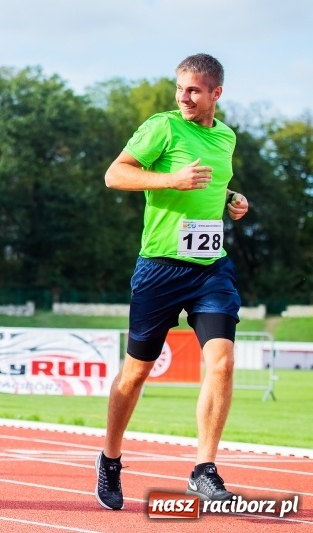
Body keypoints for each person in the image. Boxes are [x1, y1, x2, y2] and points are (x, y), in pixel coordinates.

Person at [95, 53, 249, 510]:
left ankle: (204, 470)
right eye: (180, 88)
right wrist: (171, 180)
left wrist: (232, 199)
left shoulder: (226, 137)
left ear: (216, 93)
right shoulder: (161, 127)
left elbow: (211, 186)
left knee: (222, 362)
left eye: (194, 90)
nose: (184, 97)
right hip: (160, 267)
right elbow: (114, 175)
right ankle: (110, 458)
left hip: (211, 268)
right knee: (136, 373)